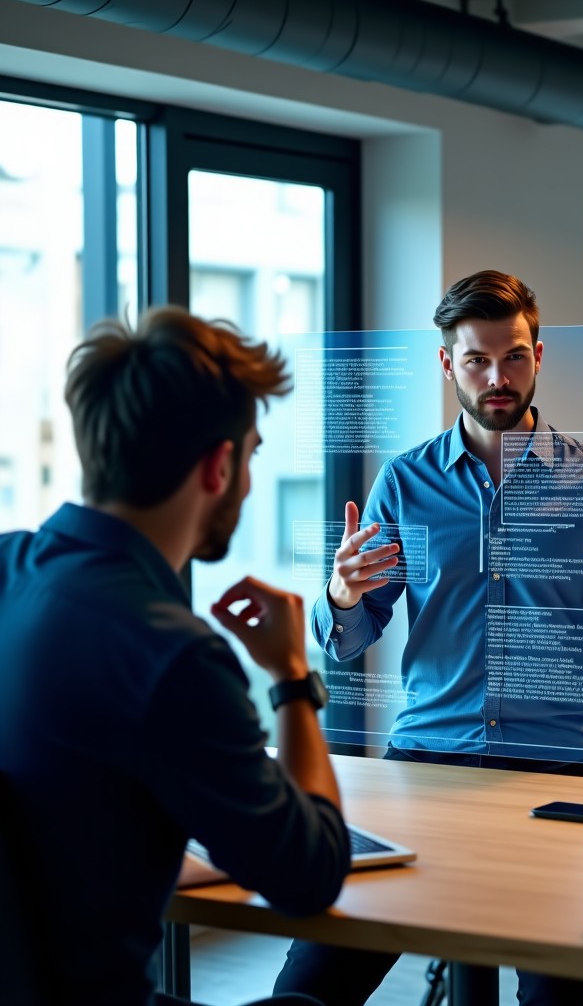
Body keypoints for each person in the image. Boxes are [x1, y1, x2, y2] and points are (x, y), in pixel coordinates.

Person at [275, 270, 583, 1006]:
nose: (498, 378)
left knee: (555, 998)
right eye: (477, 360)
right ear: (447, 363)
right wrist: (342, 595)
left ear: (538, 355)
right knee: (312, 984)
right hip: (425, 763)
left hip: (555, 771)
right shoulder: (405, 482)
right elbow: (349, 640)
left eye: (514, 357)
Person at [0, 307, 351, 1006]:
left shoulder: (10, 569)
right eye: (251, 455)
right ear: (220, 466)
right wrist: (291, 677)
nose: (249, 480)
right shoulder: (172, 654)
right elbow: (310, 877)